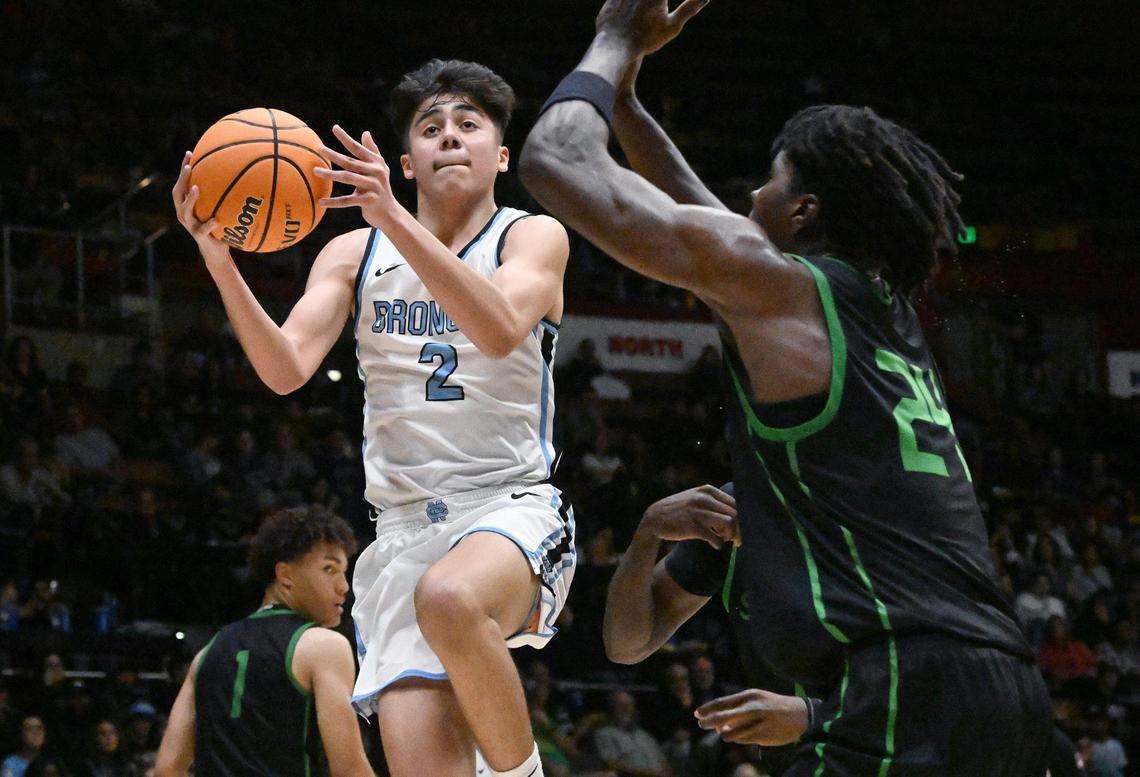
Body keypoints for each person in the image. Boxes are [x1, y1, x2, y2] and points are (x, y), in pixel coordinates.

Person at [521, 1, 1052, 774]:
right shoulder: (876, 312)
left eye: (768, 183)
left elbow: (554, 162)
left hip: (903, 681)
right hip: (999, 685)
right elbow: (707, 222)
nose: (746, 201)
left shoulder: (784, 292)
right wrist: (628, 98)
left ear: (805, 209)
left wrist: (611, 41)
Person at [172, 58, 574, 777]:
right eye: (430, 127)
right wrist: (219, 258)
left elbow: (498, 327)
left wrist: (391, 215)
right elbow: (285, 366)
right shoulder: (353, 253)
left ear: (500, 155)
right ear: (406, 161)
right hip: (402, 534)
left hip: (511, 508)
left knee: (450, 596)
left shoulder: (531, 238)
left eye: (468, 124)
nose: (449, 136)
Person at [153, 506, 372, 777]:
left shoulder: (208, 651)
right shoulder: (322, 645)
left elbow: (167, 768)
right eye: (329, 569)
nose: (344, 586)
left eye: (344, 572)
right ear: (285, 575)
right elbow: (349, 768)